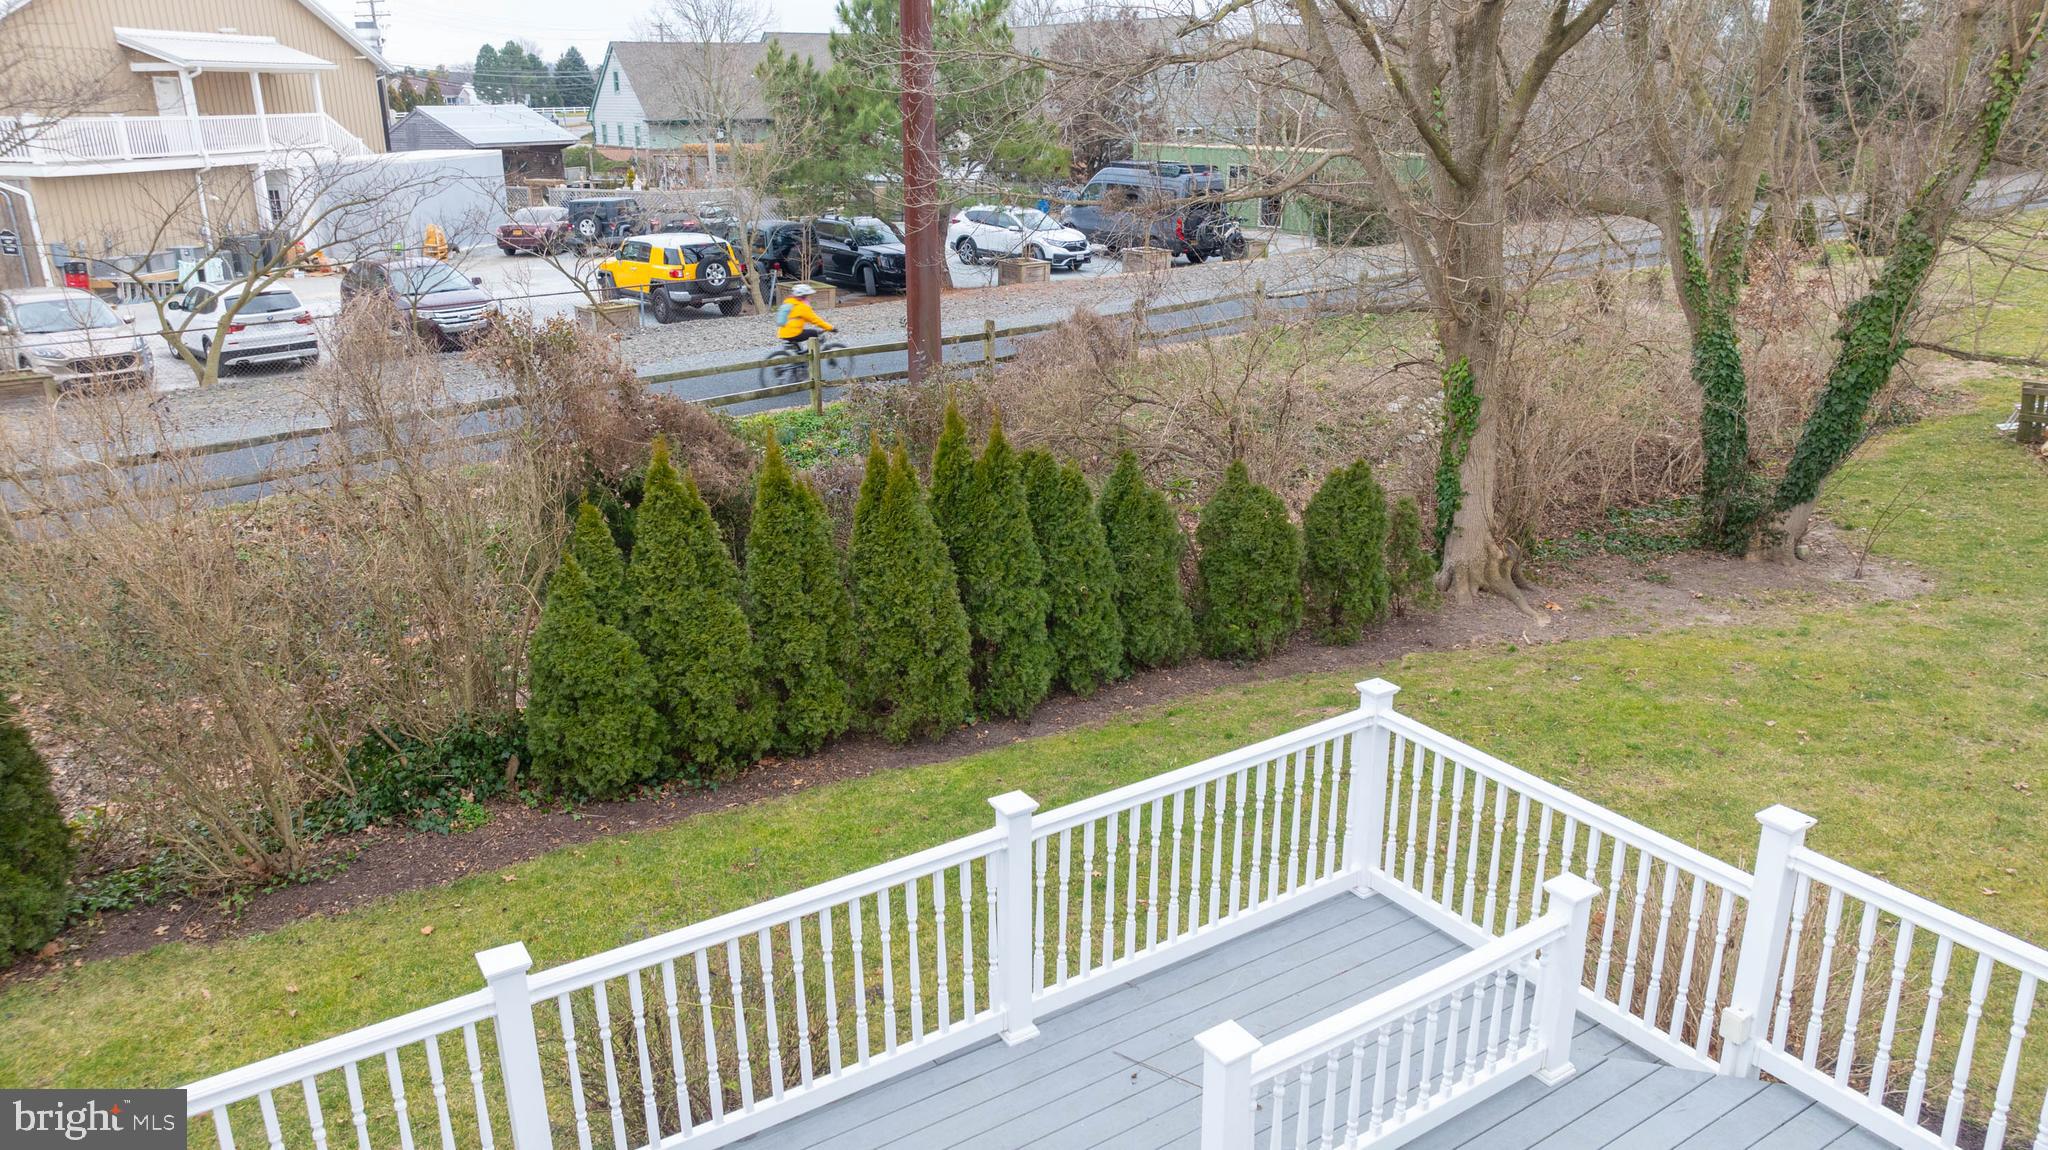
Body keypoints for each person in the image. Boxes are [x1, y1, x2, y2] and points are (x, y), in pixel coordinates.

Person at [774, 283, 834, 354]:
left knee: (806, 335)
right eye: (808, 296)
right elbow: (815, 320)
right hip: (793, 333)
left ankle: (801, 357)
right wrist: (830, 328)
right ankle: (810, 354)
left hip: (783, 333)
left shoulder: (789, 302)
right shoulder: (802, 306)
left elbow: (804, 318)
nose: (809, 298)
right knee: (814, 333)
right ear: (804, 296)